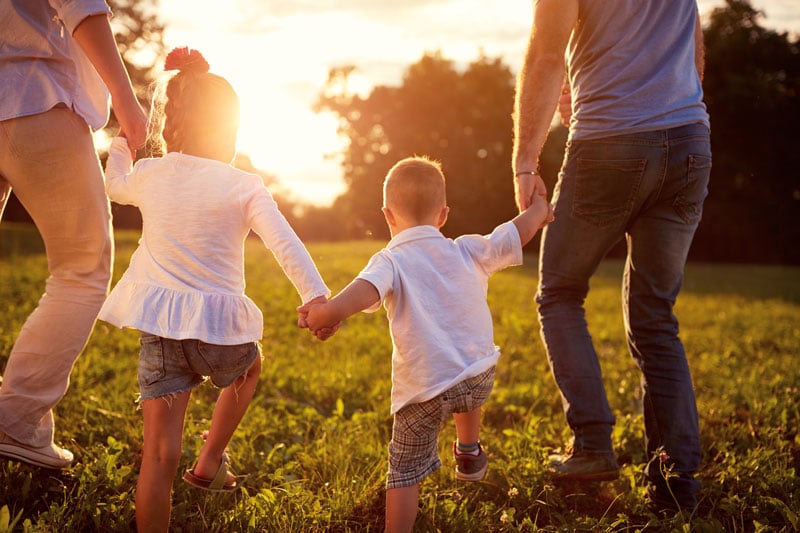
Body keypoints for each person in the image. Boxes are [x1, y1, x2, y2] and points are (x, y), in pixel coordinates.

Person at [97, 47, 330, 532]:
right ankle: (210, 461)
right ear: (229, 131)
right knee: (252, 368)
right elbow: (285, 244)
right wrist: (316, 296)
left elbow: (113, 184)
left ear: (171, 124)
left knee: (158, 455)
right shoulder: (244, 184)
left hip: (161, 334)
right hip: (221, 336)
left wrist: (124, 141)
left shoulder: (152, 173)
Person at [512, 0, 711, 513]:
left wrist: (525, 160)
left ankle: (593, 443)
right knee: (655, 316)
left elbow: (545, 55)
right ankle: (677, 482)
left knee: (559, 292)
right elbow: (694, 49)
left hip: (609, 142)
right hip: (690, 140)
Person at [298, 156, 553, 533]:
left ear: (388, 216)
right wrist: (539, 209)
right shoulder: (466, 249)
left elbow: (362, 292)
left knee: (403, 470)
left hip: (423, 392)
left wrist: (329, 311)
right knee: (466, 371)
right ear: (443, 215)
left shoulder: (390, 259)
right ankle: (468, 451)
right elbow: (513, 234)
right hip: (478, 376)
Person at [0, 0, 147, 469]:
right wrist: (126, 101)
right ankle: (17, 420)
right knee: (82, 266)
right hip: (33, 96)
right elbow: (80, 6)